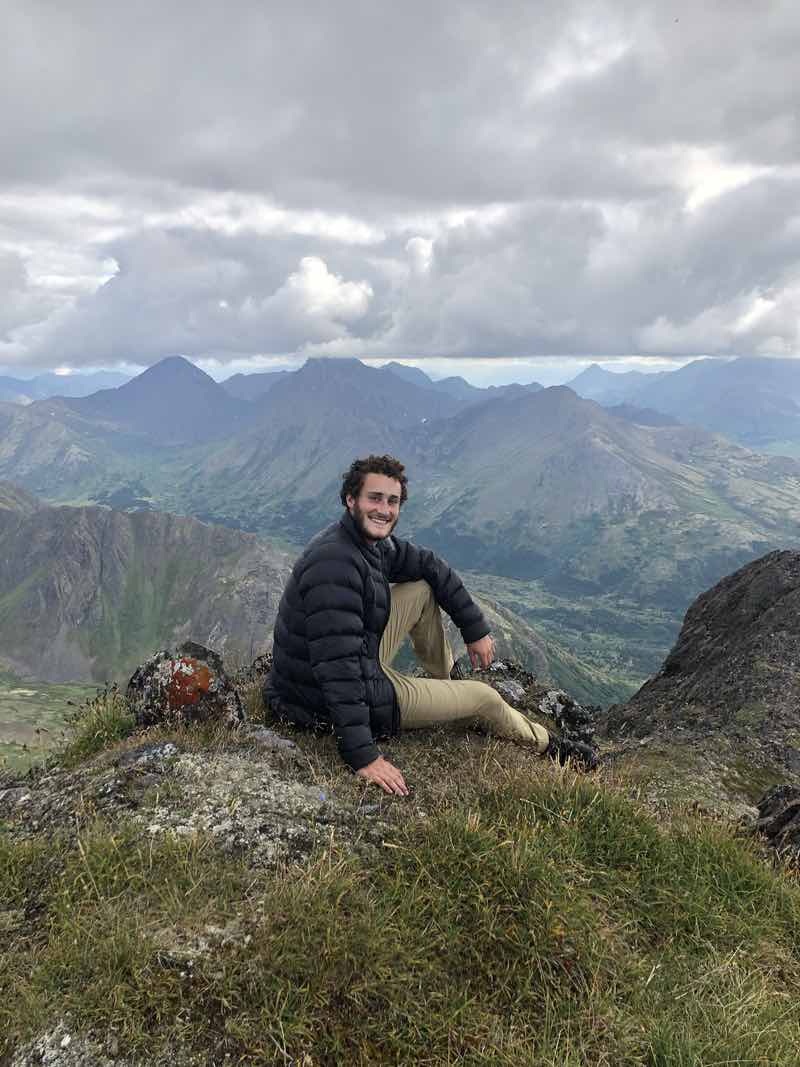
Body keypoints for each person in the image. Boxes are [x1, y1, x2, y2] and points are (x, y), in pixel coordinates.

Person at [267, 454, 596, 794]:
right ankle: (552, 747)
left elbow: (429, 565)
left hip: (354, 660)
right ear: (351, 500)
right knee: (485, 697)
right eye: (374, 498)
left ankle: (448, 686)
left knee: (422, 589)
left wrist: (474, 628)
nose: (384, 509)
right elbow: (337, 669)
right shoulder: (335, 565)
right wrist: (362, 755)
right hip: (319, 700)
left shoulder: (366, 543)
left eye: (392, 501)